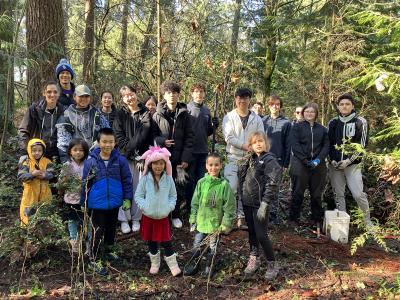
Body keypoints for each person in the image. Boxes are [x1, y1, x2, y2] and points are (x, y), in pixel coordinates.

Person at [81, 128, 133, 275]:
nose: (107, 145)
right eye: (104, 142)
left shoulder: (120, 160)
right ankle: (94, 259)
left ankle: (109, 251)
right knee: (97, 231)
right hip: (97, 204)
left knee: (111, 229)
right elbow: (85, 183)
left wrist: (127, 198)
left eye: (110, 142)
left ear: (115, 143)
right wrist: (82, 202)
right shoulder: (90, 162)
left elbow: (127, 180)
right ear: (98, 142)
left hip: (114, 203)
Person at [237, 131, 282, 280]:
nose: (258, 144)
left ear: (266, 143)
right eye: (255, 142)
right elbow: (241, 182)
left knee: (262, 235)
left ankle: (272, 263)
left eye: (261, 141)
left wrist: (265, 203)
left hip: (260, 204)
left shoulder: (269, 160)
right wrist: (240, 203)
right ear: (250, 145)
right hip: (247, 202)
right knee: (252, 232)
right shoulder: (248, 160)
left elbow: (273, 182)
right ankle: (254, 258)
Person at [184, 153, 235, 277]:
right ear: (206, 166)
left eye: (216, 165)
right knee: (197, 244)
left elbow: (229, 207)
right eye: (211, 165)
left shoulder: (224, 185)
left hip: (215, 224)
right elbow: (195, 202)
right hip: (201, 222)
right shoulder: (201, 182)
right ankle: (194, 264)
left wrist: (225, 223)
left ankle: (209, 266)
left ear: (221, 166)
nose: (213, 168)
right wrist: (193, 217)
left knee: (213, 247)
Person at [113, 85, 155, 234]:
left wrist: (139, 157)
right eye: (126, 96)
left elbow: (144, 134)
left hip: (142, 159)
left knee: (138, 188)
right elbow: (119, 137)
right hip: (124, 158)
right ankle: (125, 219)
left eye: (131, 94)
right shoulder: (119, 114)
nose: (129, 98)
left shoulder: (145, 113)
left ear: (136, 94)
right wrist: (133, 155)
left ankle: (136, 218)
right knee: (125, 188)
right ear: (123, 99)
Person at [153, 81, 194, 228]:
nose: (172, 96)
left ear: (178, 95)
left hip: (178, 159)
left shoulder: (185, 114)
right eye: (169, 93)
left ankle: (175, 215)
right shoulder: (157, 114)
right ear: (164, 95)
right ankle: (162, 216)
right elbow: (152, 135)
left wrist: (185, 158)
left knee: (176, 188)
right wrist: (162, 141)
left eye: (175, 93)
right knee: (161, 186)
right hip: (161, 159)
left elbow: (190, 137)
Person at [134, 146, 181, 276]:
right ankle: (155, 263)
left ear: (165, 165)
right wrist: (145, 206)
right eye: (155, 163)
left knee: (166, 241)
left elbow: (173, 196)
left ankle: (173, 264)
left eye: (161, 164)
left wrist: (169, 207)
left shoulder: (169, 179)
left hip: (162, 217)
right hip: (148, 216)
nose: (158, 166)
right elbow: (138, 196)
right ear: (150, 164)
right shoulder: (145, 179)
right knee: (152, 241)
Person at [222, 87, 264, 228]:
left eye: (245, 98)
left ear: (249, 100)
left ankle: (241, 218)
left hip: (251, 159)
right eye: (239, 98)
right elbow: (229, 137)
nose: (242, 101)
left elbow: (260, 136)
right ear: (236, 99)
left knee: (245, 190)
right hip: (233, 157)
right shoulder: (229, 117)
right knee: (232, 187)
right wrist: (245, 146)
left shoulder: (256, 118)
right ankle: (230, 217)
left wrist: (256, 147)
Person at [327, 94, 372, 226]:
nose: (344, 106)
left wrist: (348, 161)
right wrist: (332, 160)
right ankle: (342, 221)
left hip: (352, 166)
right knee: (338, 194)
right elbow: (328, 144)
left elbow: (362, 145)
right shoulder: (333, 122)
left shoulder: (360, 122)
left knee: (358, 194)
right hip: (335, 166)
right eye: (341, 104)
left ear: (352, 105)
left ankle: (367, 222)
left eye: (347, 104)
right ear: (338, 107)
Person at [288, 103, 329, 226]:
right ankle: (294, 218)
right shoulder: (296, 127)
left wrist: (318, 160)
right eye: (307, 112)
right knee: (297, 192)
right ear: (303, 113)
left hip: (318, 165)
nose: (309, 114)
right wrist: (305, 160)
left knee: (316, 194)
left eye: (312, 112)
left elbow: (326, 146)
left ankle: (316, 219)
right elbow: (295, 145)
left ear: (316, 114)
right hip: (300, 164)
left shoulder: (322, 129)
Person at [56, 84, 109, 163]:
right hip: (75, 160)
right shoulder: (66, 115)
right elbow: (63, 142)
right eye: (81, 96)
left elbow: (107, 132)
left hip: (96, 158)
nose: (84, 99)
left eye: (86, 96)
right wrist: (67, 162)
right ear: (74, 97)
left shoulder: (97, 113)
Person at [185, 83, 218, 208]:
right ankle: (189, 208)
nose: (199, 94)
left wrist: (214, 125)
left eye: (202, 91)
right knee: (190, 181)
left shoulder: (206, 110)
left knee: (202, 180)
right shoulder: (187, 109)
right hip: (190, 151)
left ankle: (200, 207)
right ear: (192, 93)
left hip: (203, 151)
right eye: (196, 91)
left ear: (204, 94)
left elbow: (208, 131)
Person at [262, 95, 291, 224]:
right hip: (262, 159)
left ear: (280, 106)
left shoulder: (286, 123)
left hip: (277, 160)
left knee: (274, 189)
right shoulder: (262, 121)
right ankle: (260, 214)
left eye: (278, 104)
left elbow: (288, 144)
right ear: (268, 105)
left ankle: (273, 216)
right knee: (261, 187)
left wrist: (285, 163)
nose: (275, 106)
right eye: (272, 104)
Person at [18, 81, 65, 161]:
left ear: (59, 94)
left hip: (55, 153)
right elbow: (23, 131)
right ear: (44, 93)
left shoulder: (63, 111)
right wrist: (25, 153)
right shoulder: (34, 110)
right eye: (49, 92)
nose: (52, 95)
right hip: (36, 152)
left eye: (55, 92)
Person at [57, 138, 89, 253]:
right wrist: (64, 183)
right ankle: (74, 241)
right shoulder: (67, 165)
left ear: (85, 151)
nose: (78, 152)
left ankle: (89, 243)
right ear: (70, 151)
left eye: (81, 150)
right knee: (72, 220)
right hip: (70, 199)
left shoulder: (88, 164)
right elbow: (61, 184)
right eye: (75, 150)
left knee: (86, 221)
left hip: (85, 199)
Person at [18, 138, 55, 225]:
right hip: (30, 193)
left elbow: (52, 174)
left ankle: (42, 235)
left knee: (44, 215)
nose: (37, 153)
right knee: (28, 214)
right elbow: (21, 176)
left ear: (43, 151)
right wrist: (32, 174)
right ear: (29, 150)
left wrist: (45, 175)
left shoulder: (47, 161)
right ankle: (28, 235)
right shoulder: (26, 162)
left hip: (45, 193)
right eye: (34, 150)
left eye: (39, 150)